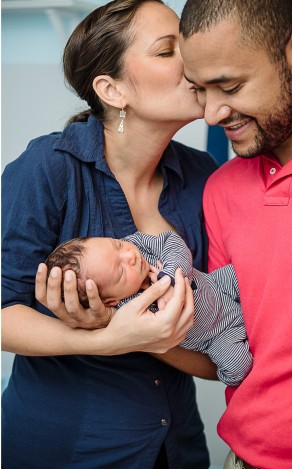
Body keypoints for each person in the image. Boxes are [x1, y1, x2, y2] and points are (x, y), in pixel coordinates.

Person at [1, 0, 220, 466]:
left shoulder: (204, 176)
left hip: (177, 447)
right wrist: (100, 339)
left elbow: (218, 346)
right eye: (168, 50)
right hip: (67, 447)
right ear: (112, 89)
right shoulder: (46, 169)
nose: (194, 58)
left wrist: (151, 337)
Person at [178, 0, 292, 467]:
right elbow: (228, 340)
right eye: (200, 90)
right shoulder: (221, 189)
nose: (212, 113)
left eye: (230, 86)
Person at [44, 231, 253, 386]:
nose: (130, 256)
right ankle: (251, 336)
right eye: (120, 272)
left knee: (253, 267)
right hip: (216, 335)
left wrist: (170, 277)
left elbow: (173, 242)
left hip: (220, 284)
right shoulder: (130, 311)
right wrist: (164, 306)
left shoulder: (138, 244)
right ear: (110, 301)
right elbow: (154, 334)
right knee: (238, 369)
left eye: (117, 245)